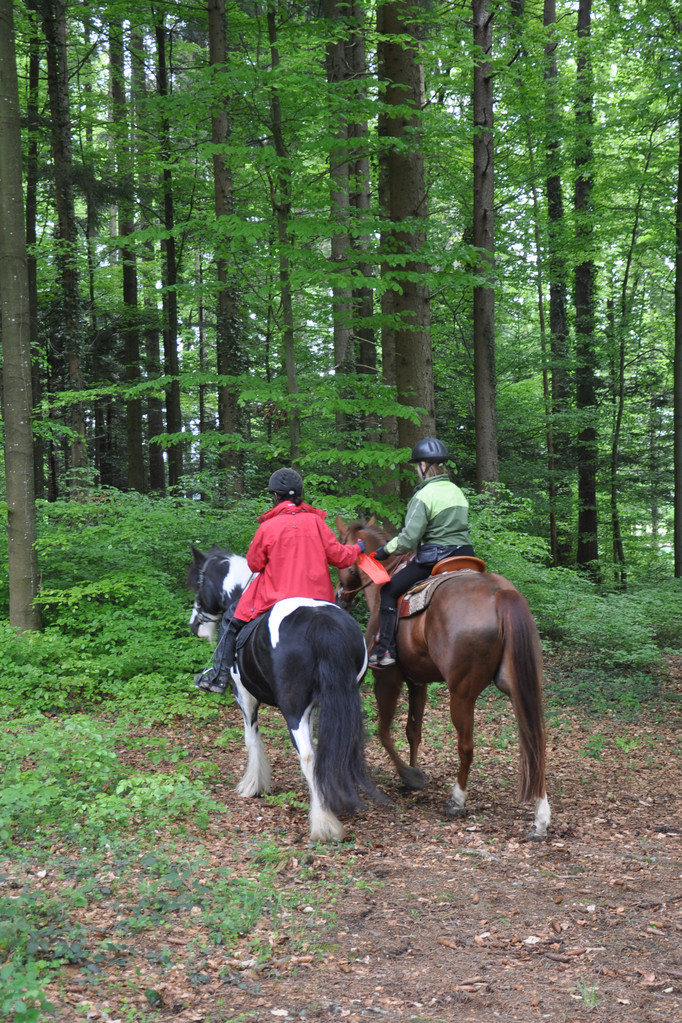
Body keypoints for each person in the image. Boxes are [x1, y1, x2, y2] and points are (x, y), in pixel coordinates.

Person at [195, 468, 365, 693]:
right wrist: (358, 548)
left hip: (276, 596)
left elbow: (254, 564)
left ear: (275, 496)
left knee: (229, 619)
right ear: (300, 495)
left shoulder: (267, 527)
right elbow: (340, 557)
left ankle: (218, 676)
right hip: (318, 596)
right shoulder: (316, 523)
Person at [368, 437, 475, 668]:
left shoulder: (424, 495)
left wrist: (385, 551)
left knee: (388, 590)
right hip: (466, 555)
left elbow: (409, 539)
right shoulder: (457, 491)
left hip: (437, 557)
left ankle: (385, 650)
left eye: (417, 466)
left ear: (424, 465)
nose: (417, 471)